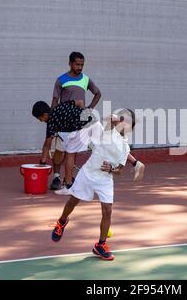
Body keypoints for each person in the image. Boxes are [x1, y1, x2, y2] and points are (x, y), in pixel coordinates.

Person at [51, 109, 135, 261]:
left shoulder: (125, 148)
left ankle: (100, 245)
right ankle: (62, 221)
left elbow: (119, 170)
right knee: (73, 201)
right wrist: (118, 117)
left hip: (105, 180)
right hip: (88, 174)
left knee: (107, 211)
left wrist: (111, 169)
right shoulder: (107, 133)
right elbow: (109, 118)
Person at [49, 51, 102, 190]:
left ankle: (68, 178)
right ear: (70, 63)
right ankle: (56, 176)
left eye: (82, 65)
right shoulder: (61, 80)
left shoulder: (86, 79)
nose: (80, 67)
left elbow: (98, 93)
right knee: (60, 151)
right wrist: (52, 120)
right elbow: (55, 100)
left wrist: (89, 108)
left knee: (72, 151)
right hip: (63, 120)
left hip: (78, 121)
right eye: (77, 64)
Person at [31, 100, 96, 165]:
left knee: (70, 154)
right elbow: (80, 102)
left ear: (44, 115)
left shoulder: (51, 123)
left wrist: (42, 162)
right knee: (99, 151)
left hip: (85, 128)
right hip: (94, 122)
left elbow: (47, 145)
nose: (41, 121)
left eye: (40, 119)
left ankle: (68, 175)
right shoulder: (60, 106)